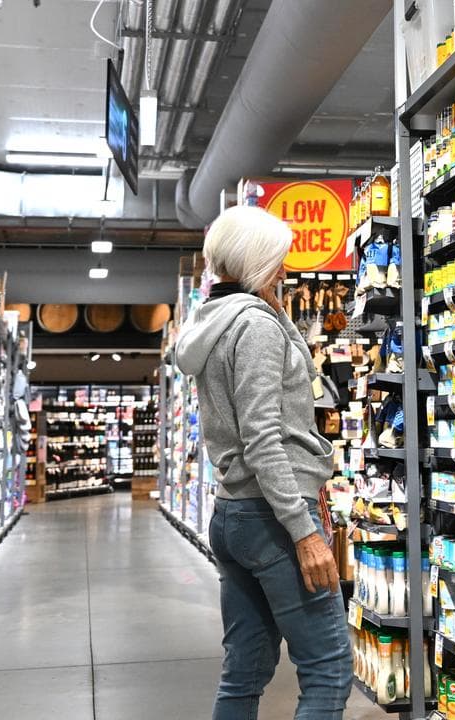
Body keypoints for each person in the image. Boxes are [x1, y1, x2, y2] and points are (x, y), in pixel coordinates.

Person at [174, 205, 351, 720]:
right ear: (256, 260)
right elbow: (262, 438)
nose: (285, 268)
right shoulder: (255, 327)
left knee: (245, 671)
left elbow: (290, 386)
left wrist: (275, 309)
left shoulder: (216, 320)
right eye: (277, 258)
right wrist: (304, 532)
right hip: (274, 516)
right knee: (328, 668)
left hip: (233, 513)